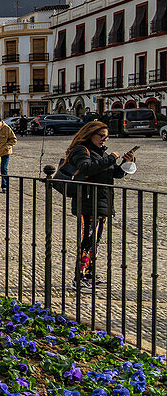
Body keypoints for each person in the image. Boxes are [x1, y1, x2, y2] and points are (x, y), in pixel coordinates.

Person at [62, 121, 135, 293]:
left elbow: (113, 174)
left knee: (95, 241)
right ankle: (78, 278)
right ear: (90, 134)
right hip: (88, 201)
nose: (104, 139)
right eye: (101, 135)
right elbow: (87, 168)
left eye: (106, 136)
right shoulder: (81, 150)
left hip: (102, 201)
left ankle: (89, 274)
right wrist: (110, 158)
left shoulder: (99, 152)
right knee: (86, 240)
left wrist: (126, 162)